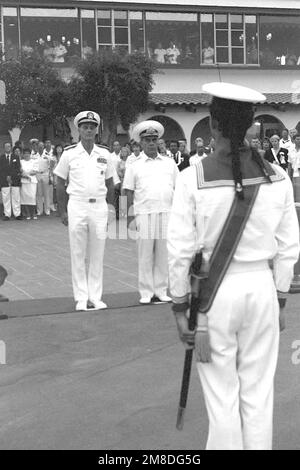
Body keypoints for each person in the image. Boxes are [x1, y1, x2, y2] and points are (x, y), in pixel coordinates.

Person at [167, 81, 300, 450]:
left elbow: (179, 251)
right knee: (258, 394)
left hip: (214, 299)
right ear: (251, 126)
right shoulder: (279, 177)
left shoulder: (191, 178)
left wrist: (180, 308)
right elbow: (290, 248)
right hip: (262, 290)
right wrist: (281, 299)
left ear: (212, 124)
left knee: (222, 397)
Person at [54, 111, 115, 312]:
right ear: (78, 129)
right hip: (77, 205)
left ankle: (96, 296)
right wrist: (62, 211)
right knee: (77, 252)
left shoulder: (104, 154)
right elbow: (60, 183)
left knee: (98, 253)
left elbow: (111, 184)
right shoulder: (69, 153)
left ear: (97, 130)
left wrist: (112, 209)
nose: (88, 131)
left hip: (99, 206)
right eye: (85, 127)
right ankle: (81, 297)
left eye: (92, 127)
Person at [123, 120, 179, 304]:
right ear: (141, 143)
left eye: (154, 139)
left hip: (166, 213)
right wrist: (129, 217)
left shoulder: (169, 163)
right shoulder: (135, 165)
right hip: (144, 214)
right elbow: (128, 192)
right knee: (145, 255)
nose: (151, 143)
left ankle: (161, 290)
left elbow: (179, 190)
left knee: (163, 255)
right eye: (147, 140)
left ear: (158, 141)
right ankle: (146, 292)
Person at [0, 143, 22, 221]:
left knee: (16, 197)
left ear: (11, 147)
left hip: (14, 180)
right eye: (6, 146)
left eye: (9, 146)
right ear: (4, 148)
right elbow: (1, 170)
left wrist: (11, 176)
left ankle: (17, 214)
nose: (7, 148)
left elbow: (17, 168)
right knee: (6, 198)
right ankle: (7, 214)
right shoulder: (1, 158)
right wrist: (6, 177)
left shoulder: (16, 157)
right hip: (4, 180)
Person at [20, 148, 38, 220]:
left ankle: (33, 213)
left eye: (28, 153)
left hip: (32, 181)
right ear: (23, 154)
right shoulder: (21, 161)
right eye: (25, 153)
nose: (26, 154)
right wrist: (25, 175)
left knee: (32, 197)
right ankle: (27, 213)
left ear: (30, 154)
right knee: (25, 198)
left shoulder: (34, 161)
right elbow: (20, 170)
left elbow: (35, 171)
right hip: (24, 181)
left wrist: (27, 173)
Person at [36, 141, 51, 216]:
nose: (40, 147)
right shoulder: (35, 155)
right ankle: (39, 210)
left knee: (46, 193)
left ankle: (47, 210)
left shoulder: (47, 155)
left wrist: (50, 175)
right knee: (39, 193)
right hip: (38, 174)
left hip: (45, 174)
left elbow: (51, 164)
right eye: (39, 146)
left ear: (43, 147)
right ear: (37, 147)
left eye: (42, 146)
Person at [288, 133, 300, 199]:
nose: (299, 141)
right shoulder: (291, 151)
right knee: (294, 195)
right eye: (297, 139)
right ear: (294, 140)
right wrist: (289, 176)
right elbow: (289, 165)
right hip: (294, 175)